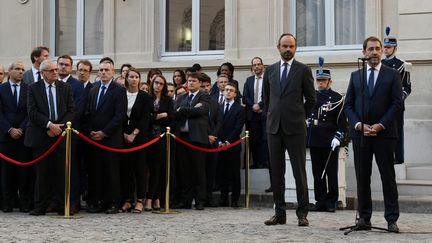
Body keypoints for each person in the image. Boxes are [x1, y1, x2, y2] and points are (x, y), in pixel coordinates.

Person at [344, 36, 402, 232]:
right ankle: (364, 218)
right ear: (364, 52)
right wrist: (359, 125)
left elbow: (397, 104)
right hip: (361, 136)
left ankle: (391, 219)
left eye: (378, 48)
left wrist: (380, 125)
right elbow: (348, 105)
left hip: (384, 135)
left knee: (388, 177)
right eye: (371, 49)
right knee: (363, 177)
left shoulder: (392, 74)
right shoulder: (355, 75)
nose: (375, 52)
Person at [263, 33, 316, 227]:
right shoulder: (270, 71)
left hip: (295, 128)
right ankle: (279, 213)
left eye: (291, 46)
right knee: (277, 173)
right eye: (285, 46)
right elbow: (267, 99)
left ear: (295, 48)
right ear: (278, 47)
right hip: (274, 128)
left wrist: (299, 115)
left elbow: (311, 99)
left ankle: (302, 213)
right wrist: (272, 116)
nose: (288, 49)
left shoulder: (303, 70)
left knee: (299, 172)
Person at [25, 60, 75, 215]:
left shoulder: (65, 88)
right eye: (52, 70)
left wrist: (58, 127)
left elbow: (72, 110)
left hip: (60, 136)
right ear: (43, 73)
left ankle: (62, 205)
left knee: (61, 172)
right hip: (41, 136)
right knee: (42, 173)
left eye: (56, 69)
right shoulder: (33, 88)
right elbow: (32, 112)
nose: (56, 72)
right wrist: (48, 125)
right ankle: (40, 206)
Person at [84, 59, 127, 214]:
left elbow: (119, 116)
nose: (103, 72)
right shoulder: (93, 88)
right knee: (96, 172)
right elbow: (87, 112)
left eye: (106, 70)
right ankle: (97, 201)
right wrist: (90, 131)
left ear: (112, 72)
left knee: (111, 173)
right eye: (101, 70)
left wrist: (104, 132)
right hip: (93, 139)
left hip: (111, 140)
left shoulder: (119, 90)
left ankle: (113, 203)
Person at [306, 57, 346, 213]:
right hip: (315, 137)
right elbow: (305, 113)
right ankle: (320, 200)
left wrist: (339, 135)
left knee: (331, 172)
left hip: (330, 138)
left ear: (330, 81)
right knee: (317, 172)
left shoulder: (337, 98)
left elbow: (342, 121)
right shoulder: (311, 97)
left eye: (324, 80)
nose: (321, 83)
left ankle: (332, 201)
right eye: (319, 80)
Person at [173, 72, 210, 210]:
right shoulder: (182, 97)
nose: (191, 83)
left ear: (200, 83)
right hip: (182, 138)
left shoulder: (204, 96)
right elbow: (174, 113)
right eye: (189, 81)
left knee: (199, 170)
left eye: (194, 81)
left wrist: (183, 110)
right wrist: (187, 110)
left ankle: (200, 200)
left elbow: (201, 111)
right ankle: (186, 200)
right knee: (184, 170)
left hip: (197, 138)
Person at [0, 61, 33, 213]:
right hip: (5, 138)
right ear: (9, 71)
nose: (21, 72)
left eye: (22, 69)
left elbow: (31, 112)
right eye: (17, 69)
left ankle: (24, 202)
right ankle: (7, 202)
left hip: (23, 136)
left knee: (24, 171)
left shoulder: (29, 89)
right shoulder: (2, 89)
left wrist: (21, 128)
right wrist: (9, 129)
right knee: (6, 172)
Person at [119, 68, 152, 213]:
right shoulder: (120, 94)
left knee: (139, 169)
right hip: (122, 136)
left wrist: (134, 134)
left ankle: (140, 200)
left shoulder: (145, 97)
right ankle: (127, 199)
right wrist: (124, 134)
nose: (133, 79)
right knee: (126, 169)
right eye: (131, 76)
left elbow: (146, 118)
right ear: (126, 78)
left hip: (139, 137)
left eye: (136, 77)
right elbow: (118, 115)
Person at [57, 54, 84, 214]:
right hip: (52, 134)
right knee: (56, 169)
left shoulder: (77, 85)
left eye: (66, 65)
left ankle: (73, 201)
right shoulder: (51, 83)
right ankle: (57, 200)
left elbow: (77, 110)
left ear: (71, 68)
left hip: (70, 133)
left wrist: (60, 125)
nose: (63, 67)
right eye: (60, 64)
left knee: (72, 169)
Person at [382, 26, 412, 165]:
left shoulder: (402, 65)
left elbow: (407, 86)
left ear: (395, 48)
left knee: (397, 131)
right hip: (381, 104)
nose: (386, 49)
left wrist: (400, 97)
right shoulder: (379, 65)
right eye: (385, 47)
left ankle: (398, 157)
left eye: (389, 47)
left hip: (397, 104)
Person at [146, 74, 174, 211]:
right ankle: (153, 198)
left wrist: (157, 117)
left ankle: (152, 198)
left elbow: (170, 117)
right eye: (156, 82)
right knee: (147, 169)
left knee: (157, 169)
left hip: (161, 137)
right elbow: (145, 117)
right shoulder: (146, 97)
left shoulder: (167, 100)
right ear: (152, 83)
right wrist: (159, 115)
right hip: (146, 138)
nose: (158, 85)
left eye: (161, 84)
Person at [216, 83, 245, 208]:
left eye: (231, 90)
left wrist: (227, 142)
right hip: (220, 145)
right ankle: (223, 198)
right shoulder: (219, 107)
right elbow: (216, 126)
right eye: (226, 90)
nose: (228, 92)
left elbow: (238, 128)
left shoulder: (240, 109)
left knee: (234, 173)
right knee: (222, 173)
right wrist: (219, 142)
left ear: (235, 94)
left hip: (233, 145)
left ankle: (234, 199)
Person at [242, 57, 270, 171]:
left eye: (259, 64)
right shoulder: (249, 80)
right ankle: (257, 163)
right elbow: (245, 97)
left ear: (263, 66)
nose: (257, 66)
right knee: (254, 140)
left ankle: (265, 163)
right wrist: (253, 105)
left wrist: (260, 105)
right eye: (254, 65)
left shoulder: (268, 79)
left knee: (265, 139)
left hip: (264, 114)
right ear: (252, 67)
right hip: (252, 115)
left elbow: (270, 96)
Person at [200, 73, 219, 207]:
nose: (205, 88)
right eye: (203, 86)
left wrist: (213, 135)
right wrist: (205, 135)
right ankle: (200, 197)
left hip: (213, 141)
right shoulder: (196, 102)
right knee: (200, 171)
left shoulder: (215, 102)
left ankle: (209, 197)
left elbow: (219, 121)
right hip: (200, 140)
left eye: (207, 86)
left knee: (211, 171)